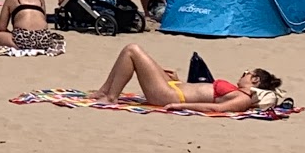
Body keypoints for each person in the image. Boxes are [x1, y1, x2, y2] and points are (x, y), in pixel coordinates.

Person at [89, 43, 281, 113]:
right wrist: (179, 80)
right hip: (175, 88)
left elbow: (215, 108)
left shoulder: (243, 98)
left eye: (247, 72)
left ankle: (112, 96)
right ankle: (104, 91)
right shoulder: (239, 93)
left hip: (169, 96)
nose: (243, 73)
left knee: (132, 50)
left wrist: (180, 106)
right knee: (130, 52)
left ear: (255, 80)